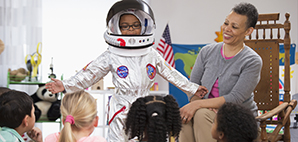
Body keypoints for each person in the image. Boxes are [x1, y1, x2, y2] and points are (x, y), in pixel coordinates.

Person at [45, 0, 207, 141]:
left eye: (135, 25)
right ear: (117, 27)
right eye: (125, 26)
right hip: (121, 107)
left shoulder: (151, 54)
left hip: (145, 105)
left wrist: (192, 88)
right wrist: (65, 85)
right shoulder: (112, 54)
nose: (131, 29)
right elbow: (89, 74)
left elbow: (170, 73)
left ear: (143, 25)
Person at [179, 2, 262, 142]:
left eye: (234, 27)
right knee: (184, 117)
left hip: (238, 119)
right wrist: (197, 104)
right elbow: (192, 87)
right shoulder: (206, 52)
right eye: (226, 23)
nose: (227, 29)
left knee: (199, 114)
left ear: (248, 31)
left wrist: (197, 105)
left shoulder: (252, 61)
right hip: (206, 112)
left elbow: (235, 98)